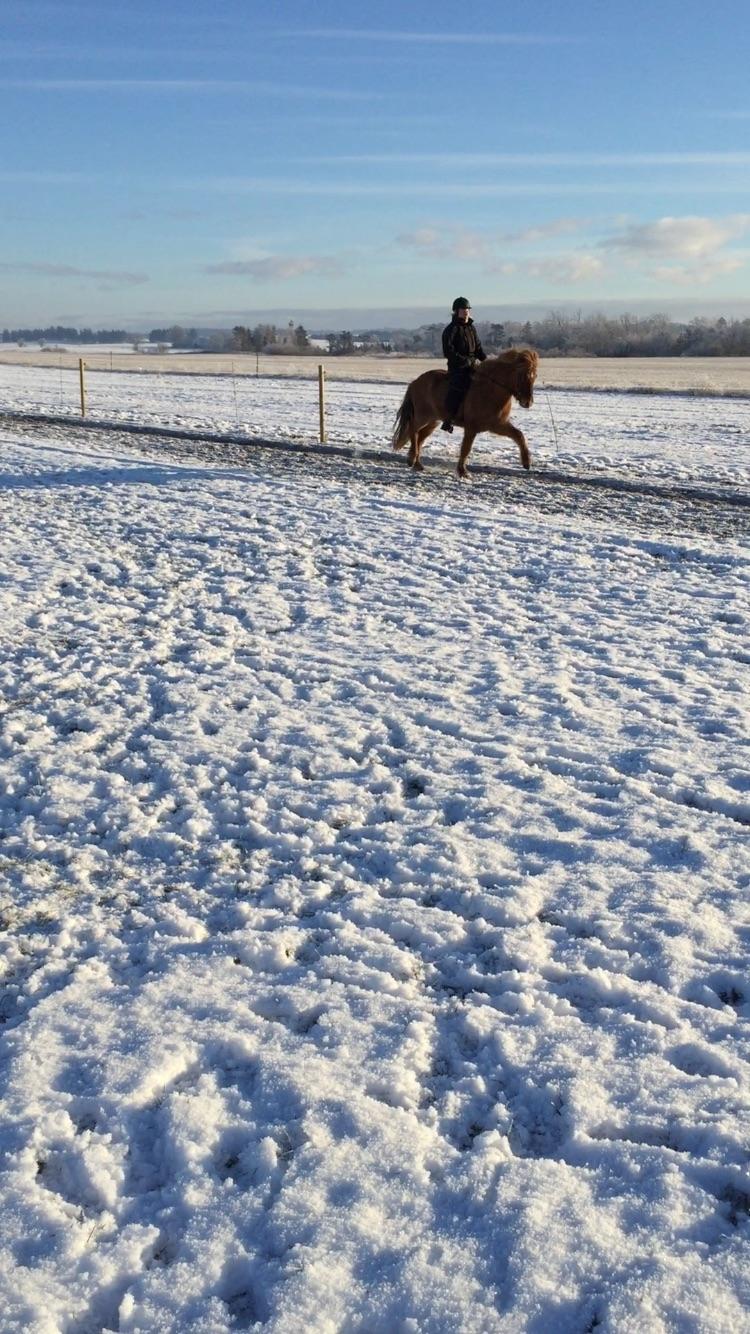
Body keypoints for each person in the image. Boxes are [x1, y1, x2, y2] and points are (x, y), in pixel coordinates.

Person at [440, 297, 486, 432]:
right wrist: (465, 361)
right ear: (456, 311)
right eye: (463, 309)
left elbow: (478, 348)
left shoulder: (472, 328)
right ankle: (449, 419)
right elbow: (448, 351)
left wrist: (487, 361)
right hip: (457, 366)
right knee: (460, 385)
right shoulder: (450, 329)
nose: (466, 311)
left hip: (473, 364)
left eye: (467, 309)